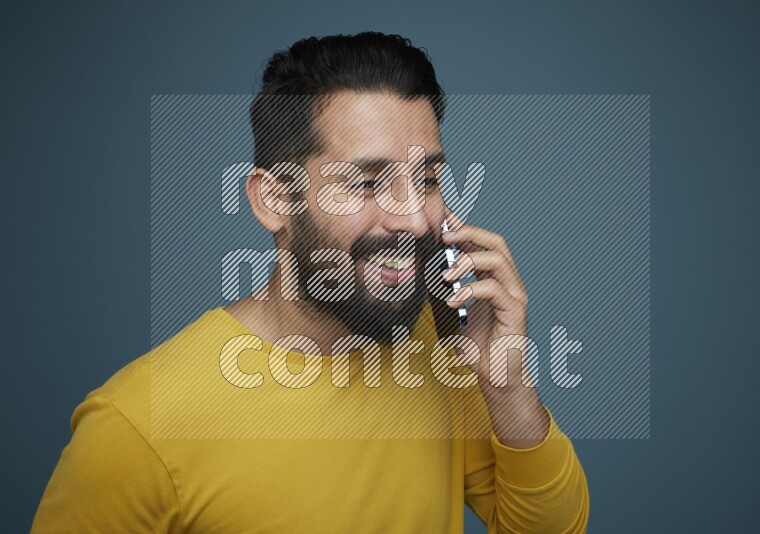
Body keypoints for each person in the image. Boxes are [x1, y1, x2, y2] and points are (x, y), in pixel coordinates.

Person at [32, 31, 589, 533]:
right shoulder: (136, 427)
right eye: (367, 183)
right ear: (275, 201)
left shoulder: (439, 343)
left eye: (426, 179)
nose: (415, 220)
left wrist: (508, 388)